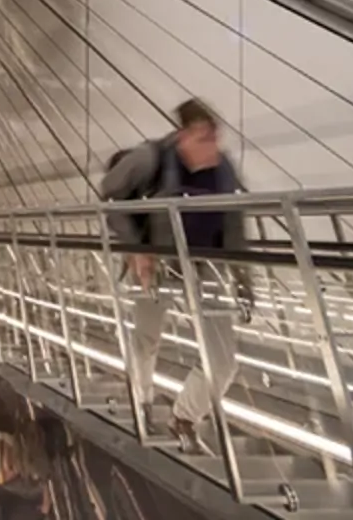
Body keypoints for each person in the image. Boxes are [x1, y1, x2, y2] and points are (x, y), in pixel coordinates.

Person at [100, 99, 248, 453]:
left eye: (214, 138)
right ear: (183, 136)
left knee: (224, 360)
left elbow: (235, 221)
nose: (211, 148)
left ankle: (184, 418)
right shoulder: (151, 158)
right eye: (203, 139)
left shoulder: (223, 168)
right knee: (147, 339)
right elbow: (110, 193)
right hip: (157, 264)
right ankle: (142, 401)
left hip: (204, 266)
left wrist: (243, 279)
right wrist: (137, 248)